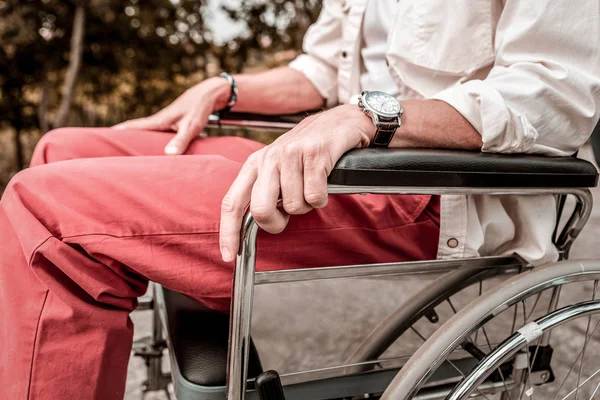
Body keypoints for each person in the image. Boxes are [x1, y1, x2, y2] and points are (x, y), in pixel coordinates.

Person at [1, 1, 599, 399]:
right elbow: (322, 71)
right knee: (61, 149)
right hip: (336, 151)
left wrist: (368, 117)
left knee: (47, 215)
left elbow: (558, 92)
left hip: (428, 185)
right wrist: (225, 89)